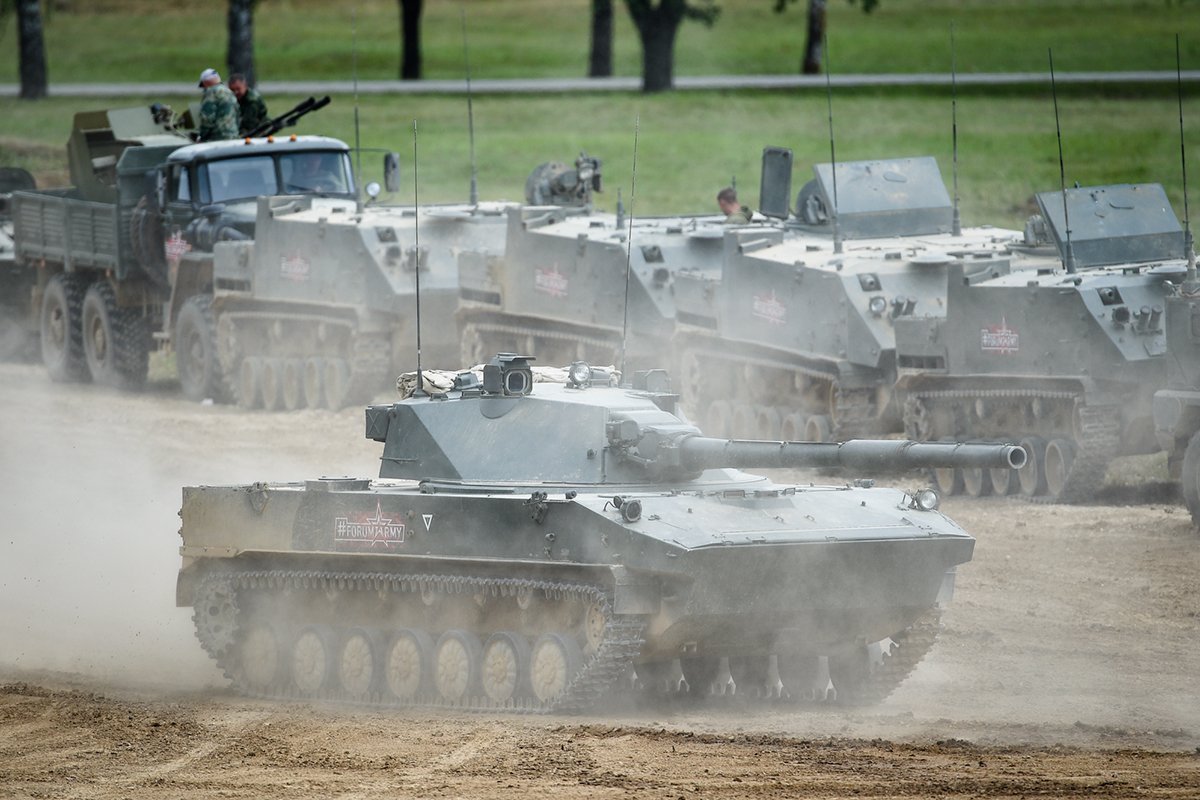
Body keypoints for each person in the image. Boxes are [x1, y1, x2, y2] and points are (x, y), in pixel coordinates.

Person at [196, 68, 239, 142]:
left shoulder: (211, 92)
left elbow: (207, 118)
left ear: (206, 82)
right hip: (233, 136)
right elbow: (237, 115)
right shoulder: (229, 92)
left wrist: (202, 136)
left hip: (217, 138)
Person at [228, 73, 268, 137]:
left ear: (245, 86)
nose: (236, 92)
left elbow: (249, 124)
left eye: (238, 89)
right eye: (232, 90)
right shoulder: (230, 98)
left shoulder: (252, 100)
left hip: (257, 129)